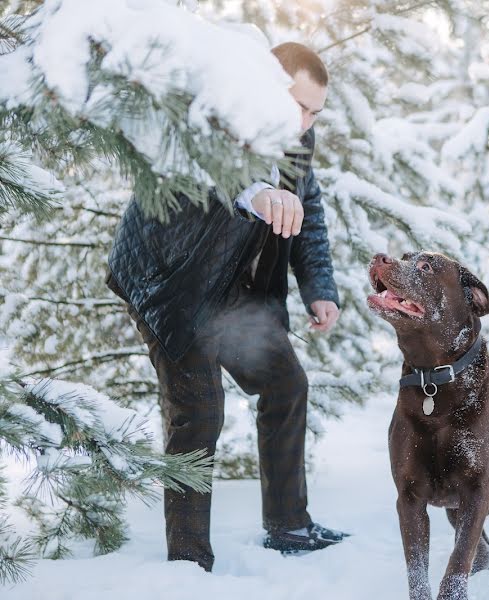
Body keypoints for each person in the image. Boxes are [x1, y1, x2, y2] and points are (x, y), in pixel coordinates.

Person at [106, 42, 347, 572]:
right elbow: (194, 168)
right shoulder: (209, 116)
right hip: (168, 285)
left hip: (232, 290)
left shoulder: (297, 140)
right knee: (199, 412)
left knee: (286, 386)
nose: (305, 120)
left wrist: (319, 287)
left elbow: (308, 208)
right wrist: (253, 191)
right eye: (297, 105)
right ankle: (189, 560)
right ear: (265, 87)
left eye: (315, 112)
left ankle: (290, 525)